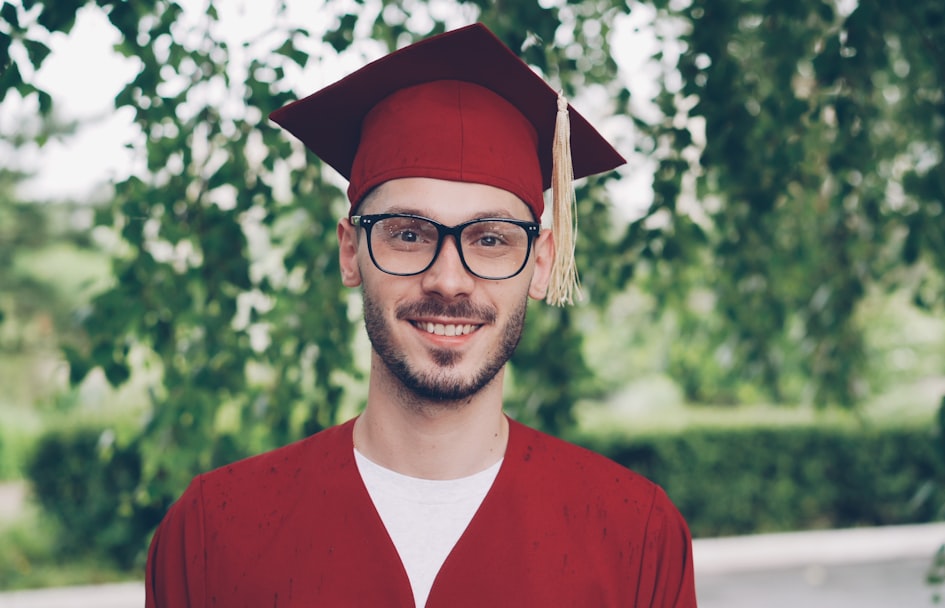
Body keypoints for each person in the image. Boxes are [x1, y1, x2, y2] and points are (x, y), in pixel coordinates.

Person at [144, 22, 697, 607]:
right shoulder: (213, 533)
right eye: (408, 233)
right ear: (351, 251)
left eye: (490, 239)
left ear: (540, 263)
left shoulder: (636, 537)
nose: (449, 281)